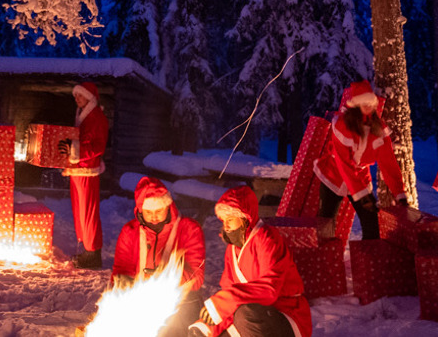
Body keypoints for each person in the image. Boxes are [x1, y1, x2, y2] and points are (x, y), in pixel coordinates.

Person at [193, 185, 310, 337]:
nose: (226, 225)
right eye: (224, 220)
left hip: (285, 314)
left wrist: (224, 302)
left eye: (230, 219)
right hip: (253, 318)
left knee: (245, 313)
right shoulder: (232, 249)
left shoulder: (267, 238)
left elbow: (270, 289)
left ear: (244, 218)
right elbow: (230, 296)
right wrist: (208, 326)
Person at [313, 80, 412, 242]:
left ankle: (368, 261)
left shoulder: (378, 128)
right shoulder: (342, 125)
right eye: (363, 102)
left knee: (371, 219)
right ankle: (325, 261)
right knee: (326, 222)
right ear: (356, 105)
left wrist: (399, 193)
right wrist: (362, 196)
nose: (367, 106)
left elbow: (388, 163)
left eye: (370, 102)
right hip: (334, 175)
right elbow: (343, 164)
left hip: (360, 176)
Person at [115, 176, 205, 329]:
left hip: (178, 300)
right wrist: (123, 281)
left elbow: (197, 277)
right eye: (148, 212)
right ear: (140, 210)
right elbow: (122, 268)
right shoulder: (130, 231)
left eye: (159, 211)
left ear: (168, 206)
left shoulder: (189, 229)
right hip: (140, 300)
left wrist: (170, 275)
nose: (154, 217)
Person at [66, 80, 111, 269]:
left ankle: (93, 253)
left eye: (80, 94)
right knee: (80, 211)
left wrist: (73, 149)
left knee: (88, 212)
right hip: (77, 169)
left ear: (90, 97)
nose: (76, 98)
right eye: (75, 95)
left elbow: (98, 147)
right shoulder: (83, 116)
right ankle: (86, 248)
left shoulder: (97, 117)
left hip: (88, 171)